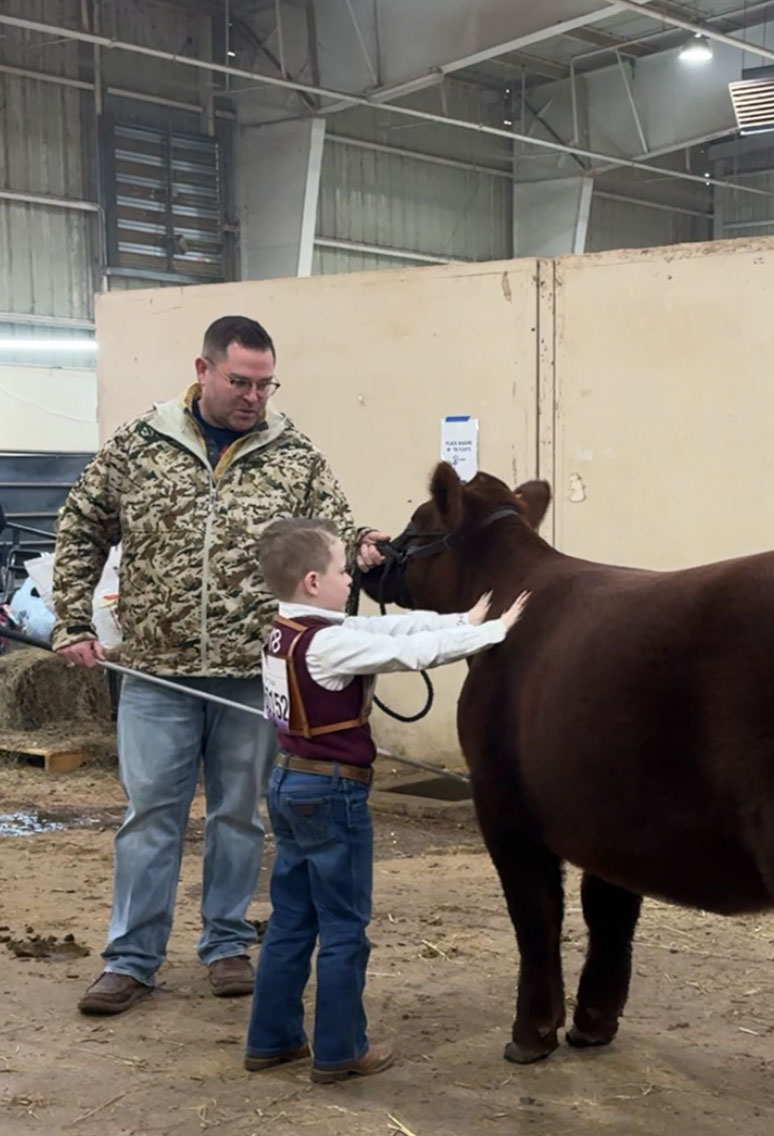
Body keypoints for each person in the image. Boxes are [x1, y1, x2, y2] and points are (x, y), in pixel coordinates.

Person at [51, 315, 387, 1016]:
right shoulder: (140, 447)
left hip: (250, 673)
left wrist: (363, 544)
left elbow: (333, 533)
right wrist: (72, 623)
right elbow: (82, 524)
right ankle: (131, 959)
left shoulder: (293, 455)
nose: (253, 397)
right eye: (240, 381)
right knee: (151, 817)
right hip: (155, 674)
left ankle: (226, 943)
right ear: (202, 370)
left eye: (265, 384)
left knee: (241, 815)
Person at [245, 517, 528, 1082]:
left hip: (287, 781)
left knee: (292, 920)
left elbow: (390, 635)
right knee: (345, 924)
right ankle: (340, 1050)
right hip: (332, 788)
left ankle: (271, 1038)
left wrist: (461, 618)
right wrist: (490, 633)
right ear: (311, 582)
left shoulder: (285, 629)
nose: (351, 578)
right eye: (341, 570)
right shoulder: (328, 643)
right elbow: (410, 654)